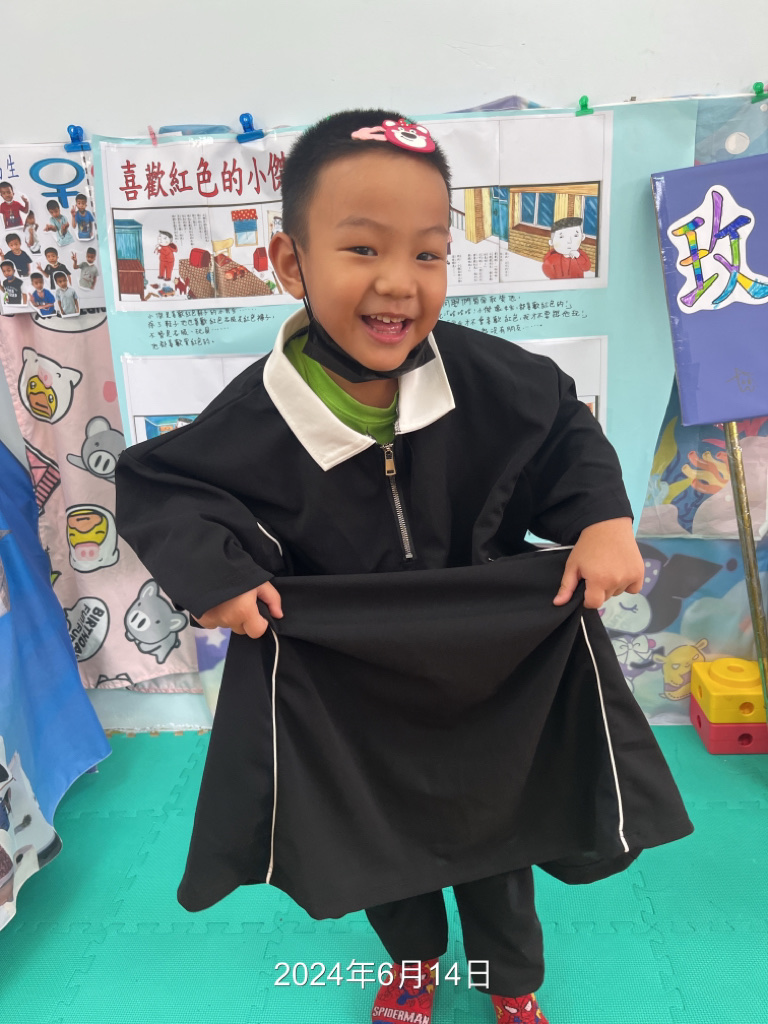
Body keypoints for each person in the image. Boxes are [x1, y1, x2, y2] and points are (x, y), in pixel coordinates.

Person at [115, 110, 689, 1024]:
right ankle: (415, 962)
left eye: (429, 253)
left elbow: (564, 430)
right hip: (355, 687)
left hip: (492, 670)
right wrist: (215, 575)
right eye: (362, 249)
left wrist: (604, 518)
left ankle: (510, 983)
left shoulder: (490, 376)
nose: (398, 282)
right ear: (291, 262)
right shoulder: (256, 414)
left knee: (502, 843)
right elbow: (163, 486)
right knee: (380, 847)